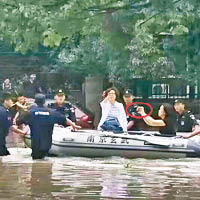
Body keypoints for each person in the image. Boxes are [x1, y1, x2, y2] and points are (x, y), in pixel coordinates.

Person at [16, 93, 81, 159]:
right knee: (44, 159)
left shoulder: (30, 113)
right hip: (47, 144)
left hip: (36, 144)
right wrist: (74, 125)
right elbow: (64, 119)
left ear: (35, 102)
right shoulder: (52, 112)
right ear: (44, 101)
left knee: (36, 162)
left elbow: (18, 122)